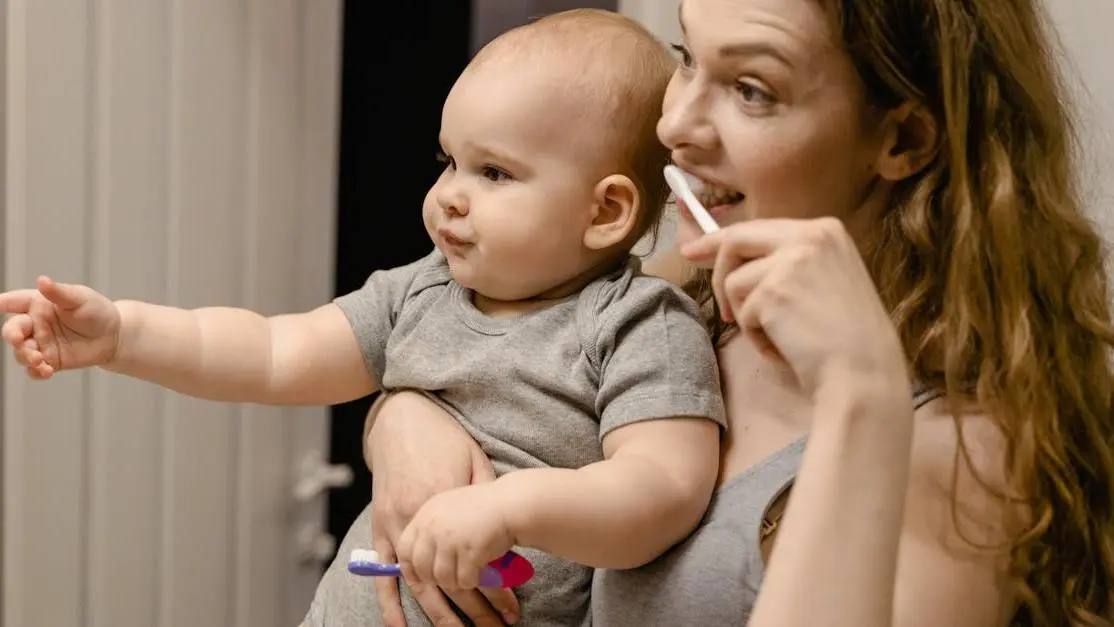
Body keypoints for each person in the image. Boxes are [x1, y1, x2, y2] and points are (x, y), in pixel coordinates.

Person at [340, 0, 1114, 625]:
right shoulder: (686, 295)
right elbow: (481, 355)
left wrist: (861, 397)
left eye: (752, 90)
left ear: (902, 138)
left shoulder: (963, 451)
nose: (674, 124)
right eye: (686, 58)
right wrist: (407, 417)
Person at [0, 9, 729, 627]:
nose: (449, 195)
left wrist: (510, 508)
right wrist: (125, 334)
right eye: (448, 161)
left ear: (605, 212)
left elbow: (664, 488)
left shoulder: (640, 323)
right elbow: (273, 351)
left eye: (494, 172)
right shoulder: (420, 292)